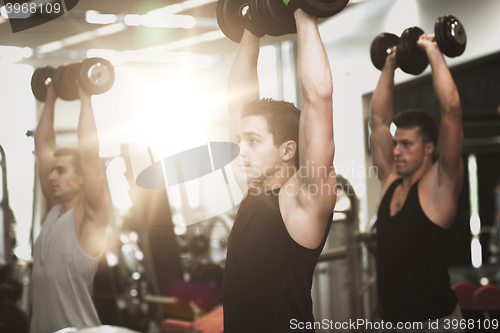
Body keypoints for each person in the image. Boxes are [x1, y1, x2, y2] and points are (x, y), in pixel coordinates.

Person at [222, 7, 337, 333]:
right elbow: (236, 102)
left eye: (253, 141)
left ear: (288, 150)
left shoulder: (302, 200)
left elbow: (319, 100)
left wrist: (305, 11)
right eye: (240, 139)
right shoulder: (255, 186)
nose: (239, 150)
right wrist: (251, 24)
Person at [370, 33, 464, 331]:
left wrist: (432, 50)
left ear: (428, 149)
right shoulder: (390, 181)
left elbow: (451, 110)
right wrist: (390, 63)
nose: (396, 150)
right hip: (391, 322)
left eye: (406, 144)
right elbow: (379, 121)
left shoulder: (442, 185)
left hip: (436, 323)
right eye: (396, 143)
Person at [31, 83, 109, 333]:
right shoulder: (55, 210)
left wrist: (86, 98)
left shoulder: (90, 218)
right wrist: (51, 96)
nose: (51, 176)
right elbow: (43, 148)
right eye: (53, 170)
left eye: (61, 171)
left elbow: (88, 152)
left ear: (82, 178)